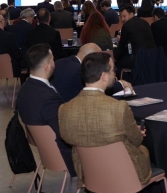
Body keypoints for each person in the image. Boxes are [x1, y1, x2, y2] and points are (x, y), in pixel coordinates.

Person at [58, 52, 152, 188]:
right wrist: (135, 131)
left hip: (88, 174)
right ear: (104, 76)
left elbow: (67, 138)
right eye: (113, 69)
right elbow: (137, 140)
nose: (115, 74)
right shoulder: (118, 108)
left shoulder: (64, 109)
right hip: (124, 174)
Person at [15, 44, 76, 177]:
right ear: (47, 67)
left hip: (43, 149)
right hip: (61, 154)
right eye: (53, 60)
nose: (55, 63)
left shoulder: (24, 89)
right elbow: (65, 132)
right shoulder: (48, 98)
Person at [52, 43, 132, 103]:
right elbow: (96, 90)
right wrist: (120, 84)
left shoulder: (59, 62)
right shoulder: (82, 70)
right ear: (91, 58)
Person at [115, 5, 156, 70]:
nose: (122, 19)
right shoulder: (145, 22)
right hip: (154, 56)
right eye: (121, 17)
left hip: (139, 59)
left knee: (118, 63)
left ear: (131, 14)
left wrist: (115, 58)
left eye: (124, 16)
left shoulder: (127, 25)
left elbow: (121, 47)